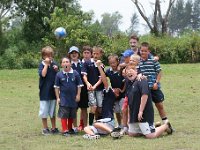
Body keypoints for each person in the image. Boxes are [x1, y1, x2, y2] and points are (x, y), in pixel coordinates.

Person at [124, 64, 173, 138]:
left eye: (131, 70)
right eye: (127, 72)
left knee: (150, 136)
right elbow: (129, 103)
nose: (129, 73)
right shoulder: (128, 83)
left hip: (144, 114)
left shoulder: (141, 80)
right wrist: (129, 118)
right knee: (132, 134)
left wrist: (141, 111)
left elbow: (145, 95)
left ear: (136, 71)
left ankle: (166, 126)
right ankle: (153, 128)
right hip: (134, 115)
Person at [83, 60, 121, 140]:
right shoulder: (102, 93)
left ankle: (113, 132)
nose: (115, 89)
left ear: (116, 95)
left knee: (96, 123)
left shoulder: (110, 95)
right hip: (102, 126)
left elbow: (105, 81)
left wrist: (99, 67)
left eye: (117, 91)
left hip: (108, 122)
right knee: (86, 128)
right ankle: (93, 136)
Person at [138, 42, 172, 127]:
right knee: (147, 108)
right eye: (142, 51)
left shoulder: (153, 60)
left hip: (154, 87)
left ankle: (167, 124)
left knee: (159, 105)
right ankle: (149, 125)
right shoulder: (138, 61)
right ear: (140, 51)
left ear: (148, 51)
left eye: (145, 51)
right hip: (145, 88)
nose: (143, 52)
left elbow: (159, 71)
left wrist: (156, 82)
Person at [54, 57, 83, 136]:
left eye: (67, 62)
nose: (65, 63)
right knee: (64, 114)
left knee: (71, 114)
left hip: (73, 98)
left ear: (70, 63)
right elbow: (56, 87)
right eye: (63, 62)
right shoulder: (59, 74)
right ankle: (65, 130)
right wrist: (58, 98)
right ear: (61, 64)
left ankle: (70, 129)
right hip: (63, 98)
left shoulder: (75, 73)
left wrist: (78, 95)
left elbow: (79, 85)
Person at [38, 46, 59, 135]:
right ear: (43, 56)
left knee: (52, 111)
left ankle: (54, 127)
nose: (49, 57)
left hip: (53, 92)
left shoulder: (54, 64)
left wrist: (56, 69)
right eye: (47, 55)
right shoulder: (42, 64)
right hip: (44, 92)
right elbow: (43, 74)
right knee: (44, 111)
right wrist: (46, 65)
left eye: (50, 55)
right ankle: (45, 128)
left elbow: (58, 76)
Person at [81, 46, 104, 126]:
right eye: (94, 53)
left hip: (99, 89)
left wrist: (95, 86)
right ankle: (90, 126)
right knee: (93, 106)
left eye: (97, 54)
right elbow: (84, 76)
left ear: (100, 54)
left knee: (100, 107)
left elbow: (101, 78)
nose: (95, 55)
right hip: (90, 89)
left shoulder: (101, 65)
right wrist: (87, 83)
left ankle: (100, 125)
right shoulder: (87, 63)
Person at [106, 54, 125, 129]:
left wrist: (122, 90)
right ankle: (120, 124)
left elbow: (126, 80)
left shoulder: (122, 70)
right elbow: (103, 79)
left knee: (123, 110)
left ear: (118, 62)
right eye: (111, 63)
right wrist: (110, 89)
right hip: (115, 94)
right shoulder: (108, 71)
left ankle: (125, 125)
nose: (112, 64)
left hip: (123, 93)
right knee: (116, 110)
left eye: (114, 62)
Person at [68, 46, 83, 132]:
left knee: (83, 108)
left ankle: (83, 125)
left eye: (75, 53)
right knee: (74, 109)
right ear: (69, 55)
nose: (74, 54)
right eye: (72, 53)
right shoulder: (68, 64)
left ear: (78, 54)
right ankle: (74, 126)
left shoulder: (82, 63)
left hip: (82, 89)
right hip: (72, 90)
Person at [78, 46, 93, 130]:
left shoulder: (93, 63)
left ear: (91, 54)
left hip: (92, 88)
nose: (86, 54)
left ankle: (93, 124)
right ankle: (83, 124)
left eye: (88, 53)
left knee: (94, 107)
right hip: (82, 88)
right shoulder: (80, 63)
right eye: (85, 53)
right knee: (83, 107)